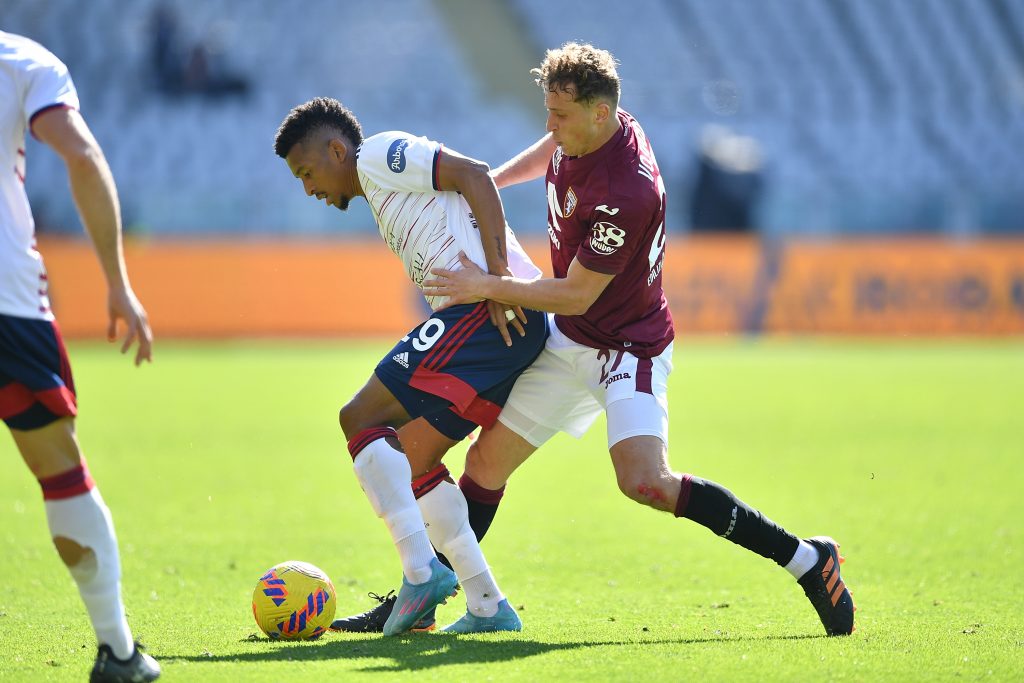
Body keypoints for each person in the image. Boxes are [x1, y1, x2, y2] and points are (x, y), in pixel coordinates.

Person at [422, 42, 856, 637]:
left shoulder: (628, 192)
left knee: (645, 482)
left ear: (601, 114)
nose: (550, 126)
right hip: (570, 341)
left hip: (628, 348)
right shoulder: (595, 130)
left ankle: (809, 561)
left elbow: (576, 293)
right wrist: (488, 185)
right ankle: (427, 603)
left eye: (561, 115)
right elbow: (552, 149)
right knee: (485, 465)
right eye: (547, 111)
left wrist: (487, 284)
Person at [273, 97, 547, 634]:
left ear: (336, 149)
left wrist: (497, 281)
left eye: (307, 172)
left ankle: (421, 574)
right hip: (496, 325)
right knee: (417, 460)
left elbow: (476, 176)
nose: (308, 188)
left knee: (359, 418)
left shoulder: (376, 155)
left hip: (488, 315)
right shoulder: (380, 192)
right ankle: (488, 604)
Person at [0, 32, 161, 681]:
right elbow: (82, 155)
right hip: (6, 299)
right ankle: (118, 648)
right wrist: (118, 281)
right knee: (59, 469)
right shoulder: (23, 61)